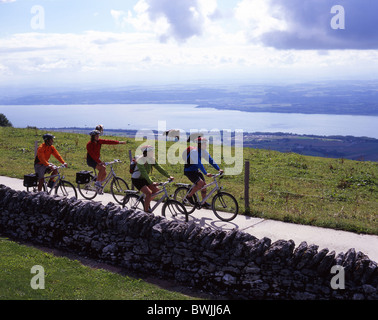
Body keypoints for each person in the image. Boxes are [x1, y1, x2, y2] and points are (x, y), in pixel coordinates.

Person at [131, 145, 174, 213]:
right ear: (146, 152)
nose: (153, 152)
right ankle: (146, 212)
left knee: (156, 190)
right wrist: (151, 182)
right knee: (148, 193)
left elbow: (159, 168)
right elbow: (144, 173)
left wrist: (169, 176)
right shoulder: (140, 161)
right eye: (151, 151)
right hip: (137, 180)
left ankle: (146, 202)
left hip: (144, 178)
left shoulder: (151, 159)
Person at [183, 137, 223, 208]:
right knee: (200, 183)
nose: (206, 145)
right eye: (204, 143)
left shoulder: (203, 151)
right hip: (189, 171)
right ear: (199, 144)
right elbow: (199, 164)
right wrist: (205, 173)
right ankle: (189, 196)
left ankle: (203, 202)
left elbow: (210, 160)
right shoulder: (194, 152)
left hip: (195, 170)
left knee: (204, 185)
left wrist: (218, 169)